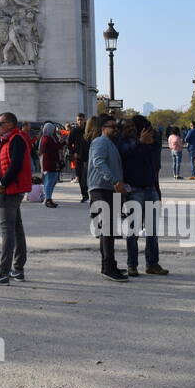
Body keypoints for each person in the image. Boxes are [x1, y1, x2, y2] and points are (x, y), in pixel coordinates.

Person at [0, 112, 31, 285]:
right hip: (10, 189)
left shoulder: (16, 139)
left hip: (9, 190)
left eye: (0, 123)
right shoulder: (7, 140)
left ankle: (3, 272)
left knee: (8, 232)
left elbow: (15, 165)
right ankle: (17, 269)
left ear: (10, 124)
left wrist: (2, 184)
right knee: (16, 229)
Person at [118, 117, 169, 277]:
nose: (130, 129)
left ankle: (152, 263)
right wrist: (141, 142)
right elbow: (127, 152)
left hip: (150, 188)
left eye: (133, 126)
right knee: (133, 231)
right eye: (126, 127)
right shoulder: (121, 143)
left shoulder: (144, 141)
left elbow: (153, 162)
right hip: (134, 190)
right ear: (121, 130)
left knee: (152, 230)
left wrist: (151, 139)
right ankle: (132, 265)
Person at [87, 116, 127, 282]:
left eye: (116, 127)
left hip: (110, 189)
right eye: (112, 126)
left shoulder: (109, 143)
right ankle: (107, 267)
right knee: (107, 230)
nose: (115, 129)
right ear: (103, 127)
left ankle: (110, 264)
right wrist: (115, 181)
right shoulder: (100, 142)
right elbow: (98, 162)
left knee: (110, 231)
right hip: (101, 189)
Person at [39, 121, 63, 207]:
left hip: (50, 162)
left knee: (50, 181)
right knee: (49, 182)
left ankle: (48, 198)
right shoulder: (47, 139)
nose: (54, 131)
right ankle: (48, 199)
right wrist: (60, 142)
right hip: (49, 163)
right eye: (53, 129)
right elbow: (54, 148)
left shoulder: (48, 138)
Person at [69, 113, 88, 202]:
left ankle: (89, 193)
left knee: (88, 176)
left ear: (84, 120)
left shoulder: (88, 130)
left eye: (81, 119)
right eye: (78, 120)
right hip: (79, 157)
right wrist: (73, 153)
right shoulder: (74, 131)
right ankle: (84, 195)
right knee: (80, 176)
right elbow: (69, 143)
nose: (80, 121)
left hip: (88, 156)